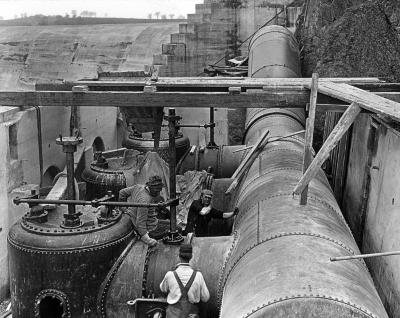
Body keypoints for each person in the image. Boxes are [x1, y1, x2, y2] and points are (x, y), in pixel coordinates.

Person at [160, 244, 209, 318]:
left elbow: (163, 289)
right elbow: (205, 298)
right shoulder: (198, 276)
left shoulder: (169, 275)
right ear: (191, 257)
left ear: (179, 256)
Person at [119, 175, 170, 246]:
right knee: (177, 229)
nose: (158, 193)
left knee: (169, 223)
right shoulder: (145, 201)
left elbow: (122, 192)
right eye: (156, 191)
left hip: (149, 220)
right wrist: (147, 239)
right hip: (150, 228)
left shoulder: (138, 187)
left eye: (159, 190)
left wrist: (123, 208)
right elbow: (140, 222)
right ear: (150, 188)